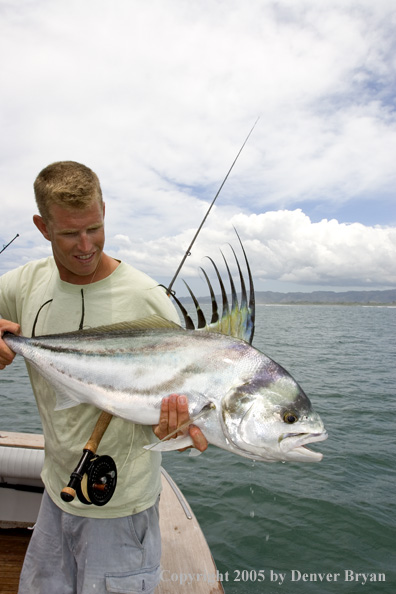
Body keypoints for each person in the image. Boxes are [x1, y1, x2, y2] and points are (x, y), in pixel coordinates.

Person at [0, 161, 208, 594]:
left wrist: (180, 427)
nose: (84, 245)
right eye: (68, 233)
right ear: (42, 226)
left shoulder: (149, 300)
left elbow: (179, 402)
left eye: (94, 228)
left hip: (120, 509)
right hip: (55, 493)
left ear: (105, 210)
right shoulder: (24, 284)